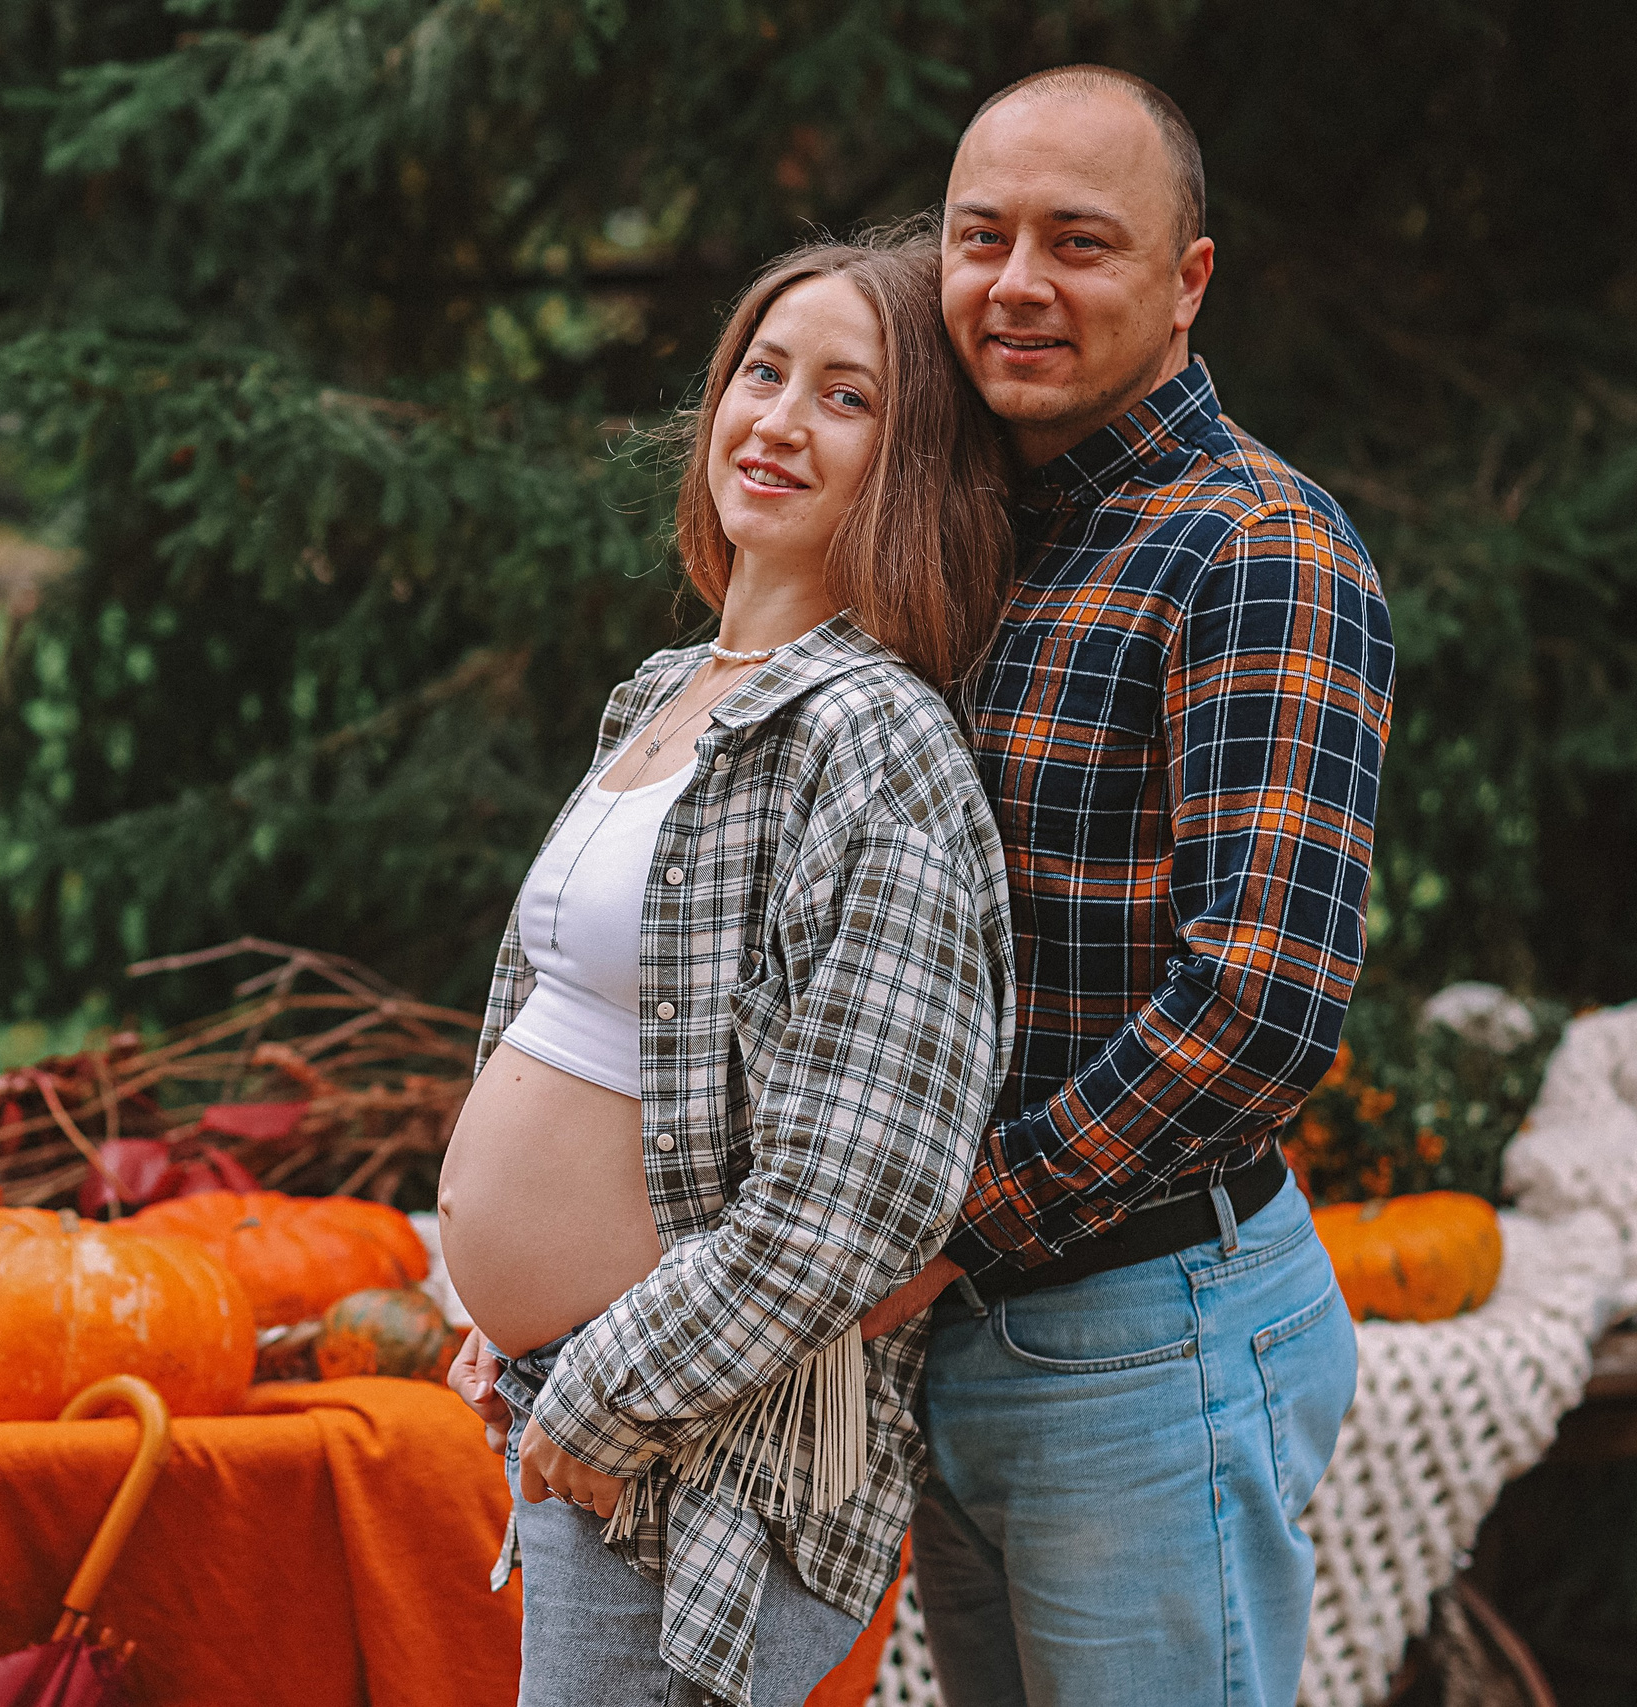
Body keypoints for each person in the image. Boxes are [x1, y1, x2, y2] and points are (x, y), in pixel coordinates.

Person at [858, 65, 1398, 1707]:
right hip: (965, 1329)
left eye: (1079, 243)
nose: (1016, 286)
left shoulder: (1253, 552)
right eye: (980, 237)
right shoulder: (956, 536)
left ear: (1187, 282)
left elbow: (1263, 1003)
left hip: (1142, 1330)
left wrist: (953, 1228)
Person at [439, 229, 1018, 1707]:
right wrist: (491, 1313)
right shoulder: (668, 691)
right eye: (761, 373)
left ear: (912, 462)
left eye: (845, 397)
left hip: (694, 1447)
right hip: (575, 1392)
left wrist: (612, 1381)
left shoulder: (875, 742)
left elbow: (866, 1191)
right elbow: (568, 1024)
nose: (775, 420)